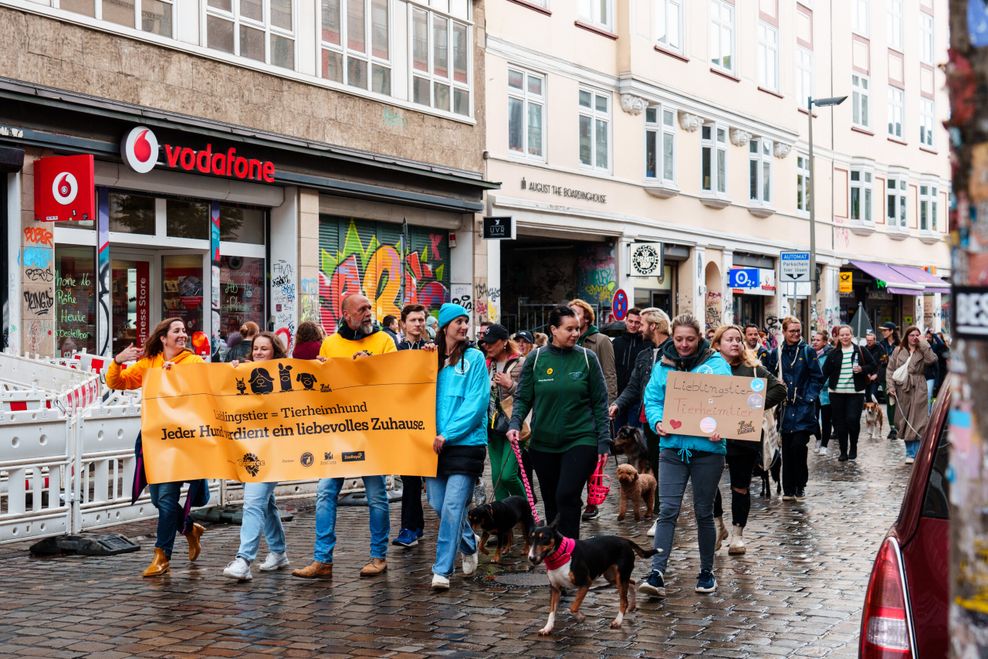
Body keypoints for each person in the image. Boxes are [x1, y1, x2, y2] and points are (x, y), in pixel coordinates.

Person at [294, 293, 396, 580]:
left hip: (371, 431)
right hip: (337, 432)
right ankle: (322, 559)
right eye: (361, 309)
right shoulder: (331, 343)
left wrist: (371, 365)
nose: (368, 313)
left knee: (376, 496)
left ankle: (378, 556)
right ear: (346, 315)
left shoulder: (384, 342)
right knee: (325, 494)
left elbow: (397, 379)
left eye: (369, 308)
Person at [638, 313, 732, 597]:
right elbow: (652, 398)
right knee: (667, 510)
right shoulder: (663, 364)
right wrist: (656, 422)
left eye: (690, 339)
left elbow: (729, 399)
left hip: (707, 450)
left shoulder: (715, 364)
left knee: (704, 512)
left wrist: (722, 427)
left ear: (699, 337)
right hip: (672, 448)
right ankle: (656, 573)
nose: (683, 344)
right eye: (678, 339)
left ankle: (706, 572)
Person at [106, 317, 209, 577]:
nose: (183, 335)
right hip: (153, 439)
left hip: (180, 439)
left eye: (184, 330)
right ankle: (189, 528)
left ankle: (162, 556)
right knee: (157, 498)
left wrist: (176, 375)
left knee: (166, 498)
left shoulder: (194, 362)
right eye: (177, 331)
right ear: (163, 338)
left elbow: (205, 386)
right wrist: (118, 361)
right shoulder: (148, 363)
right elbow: (116, 383)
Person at [508, 305, 611, 539]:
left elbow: (600, 402)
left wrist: (604, 441)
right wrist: (515, 424)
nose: (575, 334)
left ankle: (571, 552)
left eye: (577, 329)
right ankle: (556, 555)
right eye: (569, 329)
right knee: (552, 499)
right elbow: (523, 397)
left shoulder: (587, 358)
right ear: (553, 330)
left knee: (567, 495)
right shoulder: (536, 359)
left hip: (581, 438)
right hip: (543, 443)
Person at [710, 325, 786, 556]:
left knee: (740, 486)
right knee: (709, 484)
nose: (735, 343)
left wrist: (754, 405)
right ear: (717, 344)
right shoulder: (707, 369)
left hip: (742, 435)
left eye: (738, 339)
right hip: (712, 434)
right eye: (729, 339)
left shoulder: (753, 369)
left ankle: (737, 534)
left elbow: (779, 390)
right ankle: (717, 526)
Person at [428, 303, 489, 590]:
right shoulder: (430, 358)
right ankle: (468, 541)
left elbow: (476, 404)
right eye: (459, 322)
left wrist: (448, 433)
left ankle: (441, 570)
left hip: (465, 443)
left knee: (453, 506)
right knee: (438, 505)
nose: (464, 326)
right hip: (431, 445)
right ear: (444, 327)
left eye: (467, 321)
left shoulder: (475, 359)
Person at [223, 332, 291, 581]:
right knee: (265, 501)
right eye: (256, 348)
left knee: (253, 501)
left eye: (265, 348)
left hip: (273, 448)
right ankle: (279, 551)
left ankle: (244, 560)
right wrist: (231, 372)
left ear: (275, 352)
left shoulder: (286, 375)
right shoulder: (243, 372)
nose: (259, 352)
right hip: (251, 447)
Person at [608, 307, 670, 537]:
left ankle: (669, 512)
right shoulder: (644, 354)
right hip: (650, 420)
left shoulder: (674, 351)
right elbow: (634, 386)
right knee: (657, 464)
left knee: (668, 468)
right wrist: (618, 404)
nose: (639, 328)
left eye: (642, 324)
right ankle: (661, 515)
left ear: (653, 326)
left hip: (672, 419)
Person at [568, 298, 617, 521]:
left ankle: (592, 500)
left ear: (586, 317)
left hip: (595, 407)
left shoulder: (601, 341)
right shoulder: (563, 341)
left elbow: (609, 374)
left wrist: (609, 405)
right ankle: (573, 496)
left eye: (576, 313)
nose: (571, 315)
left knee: (594, 457)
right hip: (573, 409)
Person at [393, 303, 433, 549]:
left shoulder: (432, 350)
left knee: (435, 480)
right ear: (403, 324)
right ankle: (410, 528)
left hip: (431, 421)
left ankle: (463, 530)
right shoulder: (396, 350)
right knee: (409, 477)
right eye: (414, 320)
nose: (418, 324)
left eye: (421, 320)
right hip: (405, 422)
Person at [774, 317, 825, 499]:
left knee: (798, 446)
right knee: (786, 448)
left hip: (803, 407)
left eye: (798, 330)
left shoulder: (807, 351)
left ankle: (800, 483)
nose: (796, 334)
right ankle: (788, 488)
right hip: (785, 408)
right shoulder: (777, 352)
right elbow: (769, 374)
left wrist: (809, 397)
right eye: (792, 331)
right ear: (784, 332)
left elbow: (817, 377)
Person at [482, 324, 527, 501]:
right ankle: (501, 520)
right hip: (492, 427)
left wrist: (510, 385)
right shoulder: (486, 364)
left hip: (514, 425)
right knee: (497, 478)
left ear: (504, 342)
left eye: (491, 342)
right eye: (485, 342)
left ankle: (526, 512)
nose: (487, 346)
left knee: (508, 474)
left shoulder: (521, 363)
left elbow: (531, 395)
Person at [822, 325, 877, 463]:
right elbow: (825, 371)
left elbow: (873, 365)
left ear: (851, 335)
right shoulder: (833, 353)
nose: (845, 337)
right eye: (842, 335)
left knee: (852, 420)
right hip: (836, 392)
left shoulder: (860, 350)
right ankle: (843, 451)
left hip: (856, 392)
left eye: (847, 334)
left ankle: (853, 446)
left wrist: (862, 369)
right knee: (839, 423)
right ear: (838, 337)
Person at [887, 326, 938, 464]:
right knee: (903, 420)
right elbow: (890, 369)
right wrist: (890, 387)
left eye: (917, 335)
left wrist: (924, 343)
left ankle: (913, 453)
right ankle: (911, 451)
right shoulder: (898, 351)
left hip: (919, 385)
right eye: (912, 335)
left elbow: (932, 360)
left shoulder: (923, 350)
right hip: (902, 387)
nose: (914, 337)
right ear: (906, 336)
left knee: (919, 419)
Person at [611, 308, 648, 429]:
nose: (633, 325)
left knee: (636, 435)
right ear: (625, 321)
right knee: (616, 434)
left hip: (637, 398)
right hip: (619, 396)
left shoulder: (646, 344)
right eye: (630, 321)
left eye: (637, 322)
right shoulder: (616, 342)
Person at [811, 331, 835, 456]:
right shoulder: (809, 353)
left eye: (818, 340)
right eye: (813, 339)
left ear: (825, 342)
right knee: (813, 419)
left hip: (826, 393)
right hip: (812, 392)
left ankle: (824, 445)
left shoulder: (830, 354)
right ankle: (818, 439)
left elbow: (831, 373)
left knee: (826, 420)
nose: (815, 342)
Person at [878, 322, 901, 438]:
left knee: (900, 403)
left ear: (892, 331)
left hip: (899, 376)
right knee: (890, 402)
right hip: (885, 377)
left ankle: (900, 426)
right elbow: (876, 360)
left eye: (885, 330)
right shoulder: (880, 344)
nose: (883, 332)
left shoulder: (901, 344)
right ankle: (893, 428)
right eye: (882, 330)